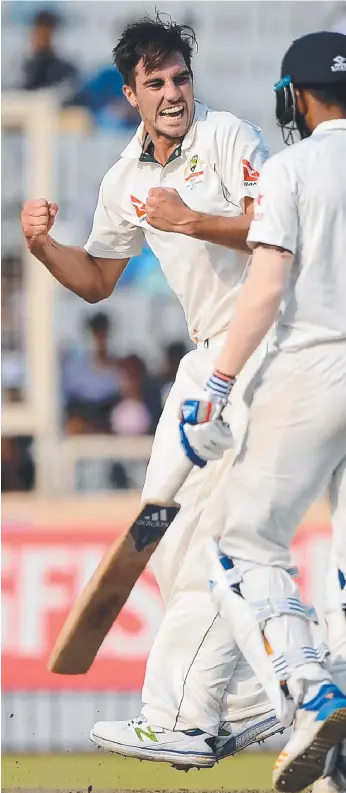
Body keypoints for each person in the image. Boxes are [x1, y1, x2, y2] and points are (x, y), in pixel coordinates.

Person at [21, 12, 285, 769]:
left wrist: (192, 219)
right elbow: (100, 281)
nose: (173, 92)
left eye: (180, 78)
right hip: (207, 359)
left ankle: (180, 712)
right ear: (130, 93)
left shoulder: (228, 135)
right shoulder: (124, 178)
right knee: (159, 530)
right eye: (156, 82)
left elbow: (277, 226)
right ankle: (240, 699)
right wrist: (43, 246)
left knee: (212, 539)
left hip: (264, 355)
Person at [179, 30, 346, 792]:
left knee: (236, 543)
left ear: (294, 97)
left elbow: (267, 286)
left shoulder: (293, 167)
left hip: (312, 366)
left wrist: (217, 384)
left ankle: (308, 692)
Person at [62, 312, 122, 435]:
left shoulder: (118, 369)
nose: (100, 338)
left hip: (108, 425)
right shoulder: (74, 368)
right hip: (82, 423)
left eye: (103, 332)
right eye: (96, 332)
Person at [20, 9, 78, 95]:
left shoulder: (66, 70)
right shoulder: (23, 69)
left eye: (47, 35)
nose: (42, 38)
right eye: (39, 33)